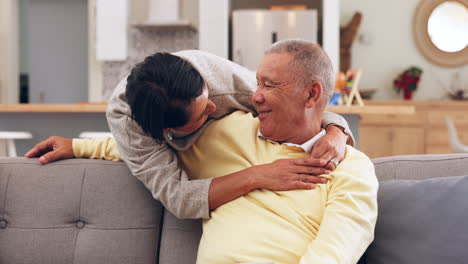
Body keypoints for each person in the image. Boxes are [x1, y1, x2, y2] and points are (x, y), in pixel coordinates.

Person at [45, 40, 378, 263]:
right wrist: (78, 146)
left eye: (268, 85)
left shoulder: (349, 167)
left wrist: (337, 130)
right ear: (168, 133)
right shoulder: (223, 134)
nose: (256, 96)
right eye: (258, 84)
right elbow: (146, 159)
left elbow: (336, 251)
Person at [25, 47, 354, 220]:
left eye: (208, 98)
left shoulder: (214, 77)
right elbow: (179, 197)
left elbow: (298, 107)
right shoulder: (129, 124)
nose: (213, 107)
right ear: (167, 133)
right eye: (202, 113)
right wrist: (259, 175)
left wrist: (337, 129)